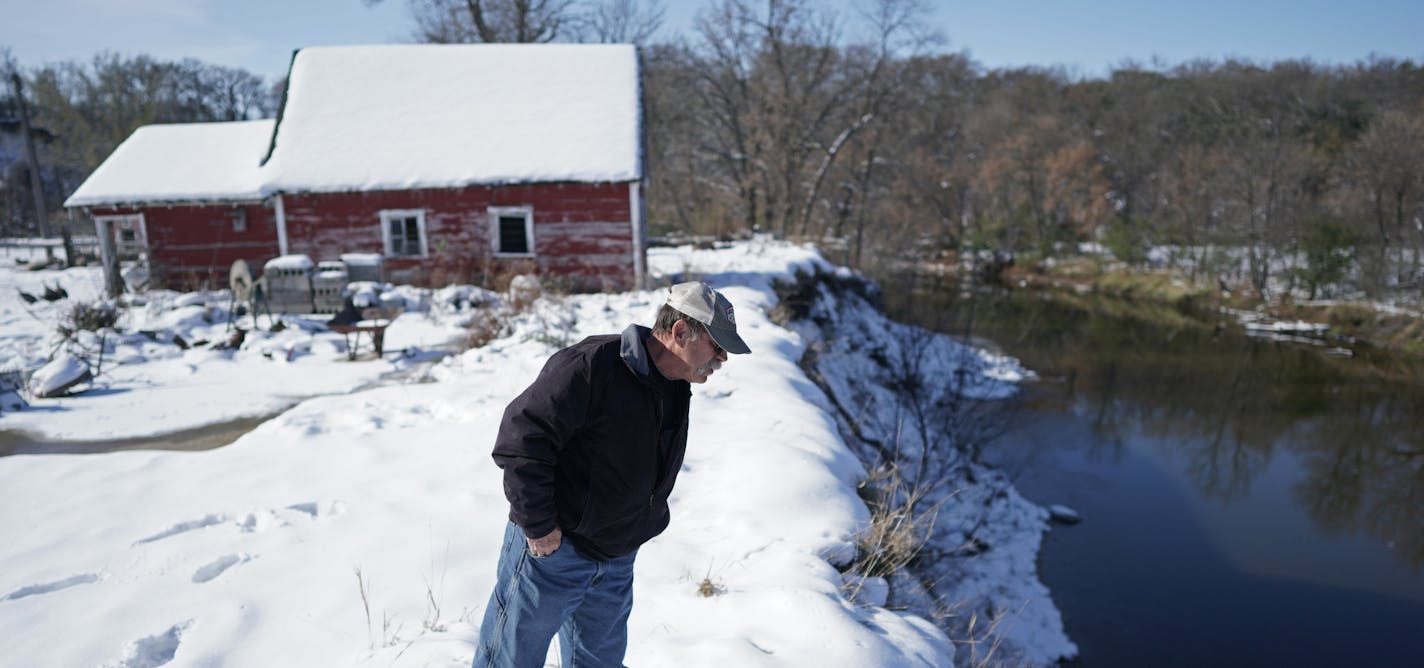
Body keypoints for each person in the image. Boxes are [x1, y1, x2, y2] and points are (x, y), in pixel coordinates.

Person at [474, 280, 750, 668]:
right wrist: (539, 526)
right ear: (680, 331)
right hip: (554, 555)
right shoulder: (591, 366)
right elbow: (521, 441)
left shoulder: (674, 385)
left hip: (616, 560)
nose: (722, 358)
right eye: (716, 345)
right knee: (509, 661)